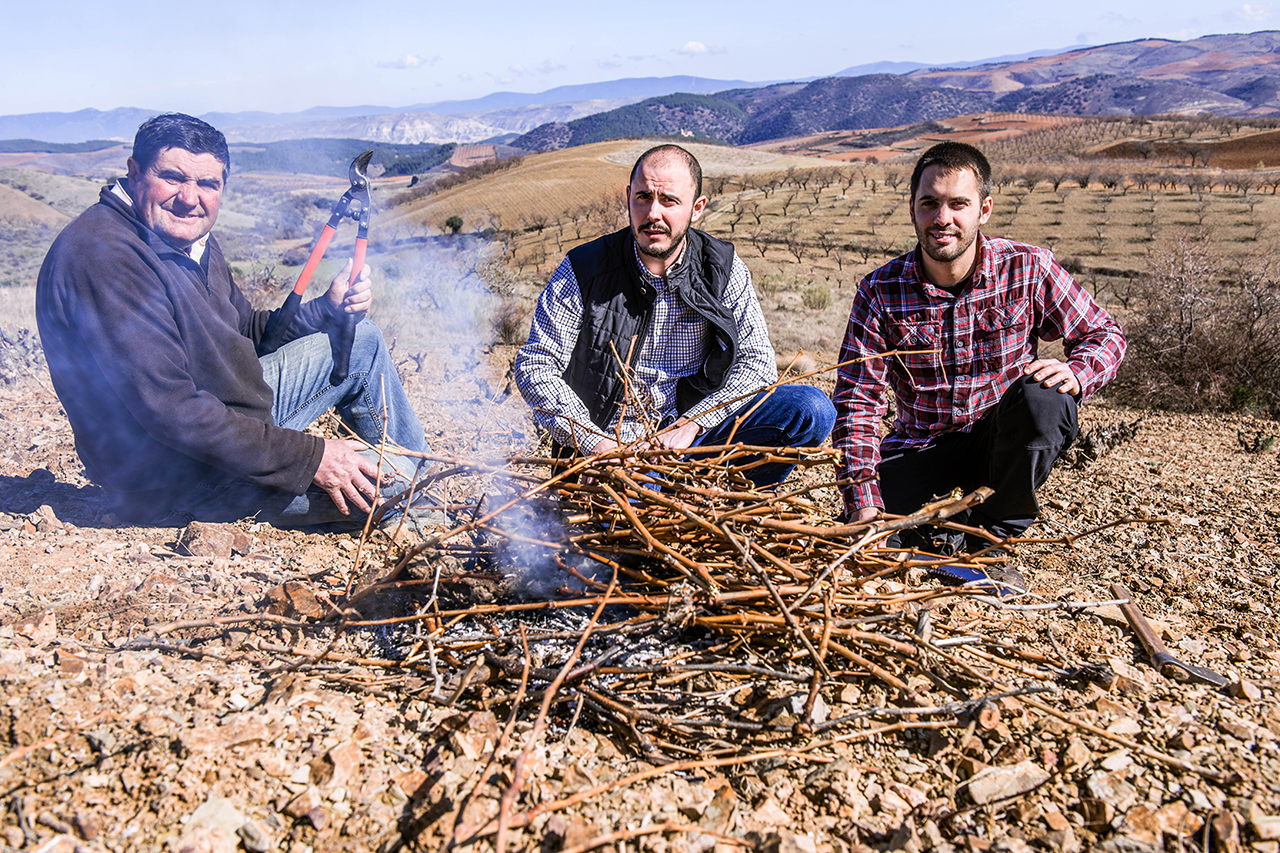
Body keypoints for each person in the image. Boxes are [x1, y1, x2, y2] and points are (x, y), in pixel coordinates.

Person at [36, 113, 429, 528]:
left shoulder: (184, 238)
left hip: (226, 428)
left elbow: (247, 334)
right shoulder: (105, 255)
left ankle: (408, 494)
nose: (190, 198)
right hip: (180, 481)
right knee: (404, 487)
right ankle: (415, 511)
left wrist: (327, 310)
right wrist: (311, 457)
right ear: (134, 173)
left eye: (208, 184)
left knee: (360, 338)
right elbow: (172, 412)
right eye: (172, 177)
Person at [831, 141, 1126, 563]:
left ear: (983, 210)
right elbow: (857, 402)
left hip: (998, 443)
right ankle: (936, 532)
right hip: (919, 447)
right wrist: (862, 499)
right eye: (929, 203)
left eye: (958, 204)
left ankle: (994, 541)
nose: (942, 218)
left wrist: (1080, 371)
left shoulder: (1029, 267)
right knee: (881, 545)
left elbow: (1104, 332)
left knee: (1045, 400)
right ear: (913, 208)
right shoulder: (880, 291)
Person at [514, 144, 834, 486]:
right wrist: (596, 444)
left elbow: (756, 363)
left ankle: (732, 500)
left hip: (693, 437)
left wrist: (691, 423)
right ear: (628, 198)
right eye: (642, 197)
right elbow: (535, 365)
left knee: (811, 409)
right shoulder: (583, 269)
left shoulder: (721, 268)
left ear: (697, 208)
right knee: (636, 496)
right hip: (611, 448)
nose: (653, 213)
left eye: (669, 200)